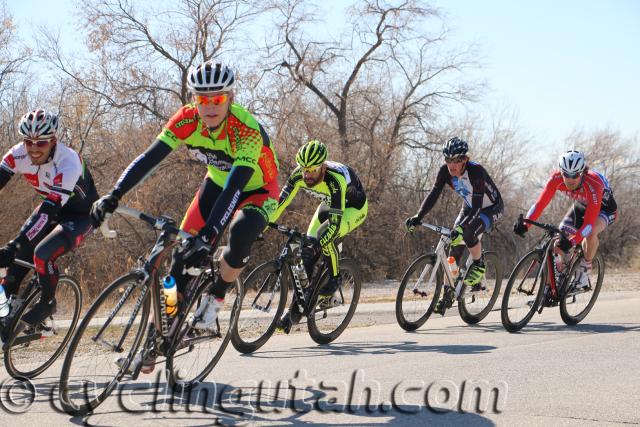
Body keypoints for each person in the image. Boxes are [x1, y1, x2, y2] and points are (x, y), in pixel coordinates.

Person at [91, 61, 280, 371]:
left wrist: (209, 235)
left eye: (216, 99)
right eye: (202, 99)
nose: (209, 107)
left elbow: (237, 185)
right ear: (194, 99)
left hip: (257, 189)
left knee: (241, 230)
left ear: (229, 98)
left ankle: (216, 297)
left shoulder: (246, 130)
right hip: (216, 185)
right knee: (178, 266)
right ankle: (153, 343)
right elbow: (149, 158)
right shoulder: (186, 119)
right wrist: (115, 194)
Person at [0, 109, 98, 330]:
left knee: (41, 254)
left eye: (41, 143)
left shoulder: (68, 161)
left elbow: (48, 211)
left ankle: (48, 302)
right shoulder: (18, 153)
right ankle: (8, 316)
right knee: (14, 267)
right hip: (52, 208)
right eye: (28, 141)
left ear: (53, 140)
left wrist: (15, 245)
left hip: (81, 215)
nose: (34, 148)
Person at [271, 140, 367, 330]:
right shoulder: (299, 175)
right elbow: (279, 204)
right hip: (330, 204)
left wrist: (317, 246)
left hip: (353, 209)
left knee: (325, 235)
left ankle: (334, 279)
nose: (307, 175)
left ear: (323, 167)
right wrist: (262, 223)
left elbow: (334, 224)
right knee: (307, 250)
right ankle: (296, 310)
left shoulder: (335, 179)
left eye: (312, 170)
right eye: (304, 169)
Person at [405, 137, 503, 312]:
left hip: (490, 207)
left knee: (467, 234)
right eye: (448, 160)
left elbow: (479, 205)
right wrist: (418, 215)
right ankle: (448, 293)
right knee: (454, 245)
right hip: (470, 206)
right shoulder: (445, 172)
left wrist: (462, 227)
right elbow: (434, 193)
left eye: (456, 160)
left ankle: (479, 264)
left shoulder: (476, 171)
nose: (452, 165)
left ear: (465, 159)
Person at [513, 149, 617, 288]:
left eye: (575, 175)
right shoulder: (555, 179)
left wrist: (573, 241)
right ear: (561, 171)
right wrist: (526, 224)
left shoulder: (594, 185)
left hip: (604, 210)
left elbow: (589, 224)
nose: (570, 179)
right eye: (566, 174)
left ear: (582, 173)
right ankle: (550, 289)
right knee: (557, 244)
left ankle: (584, 271)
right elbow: (539, 204)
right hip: (582, 205)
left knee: (590, 234)